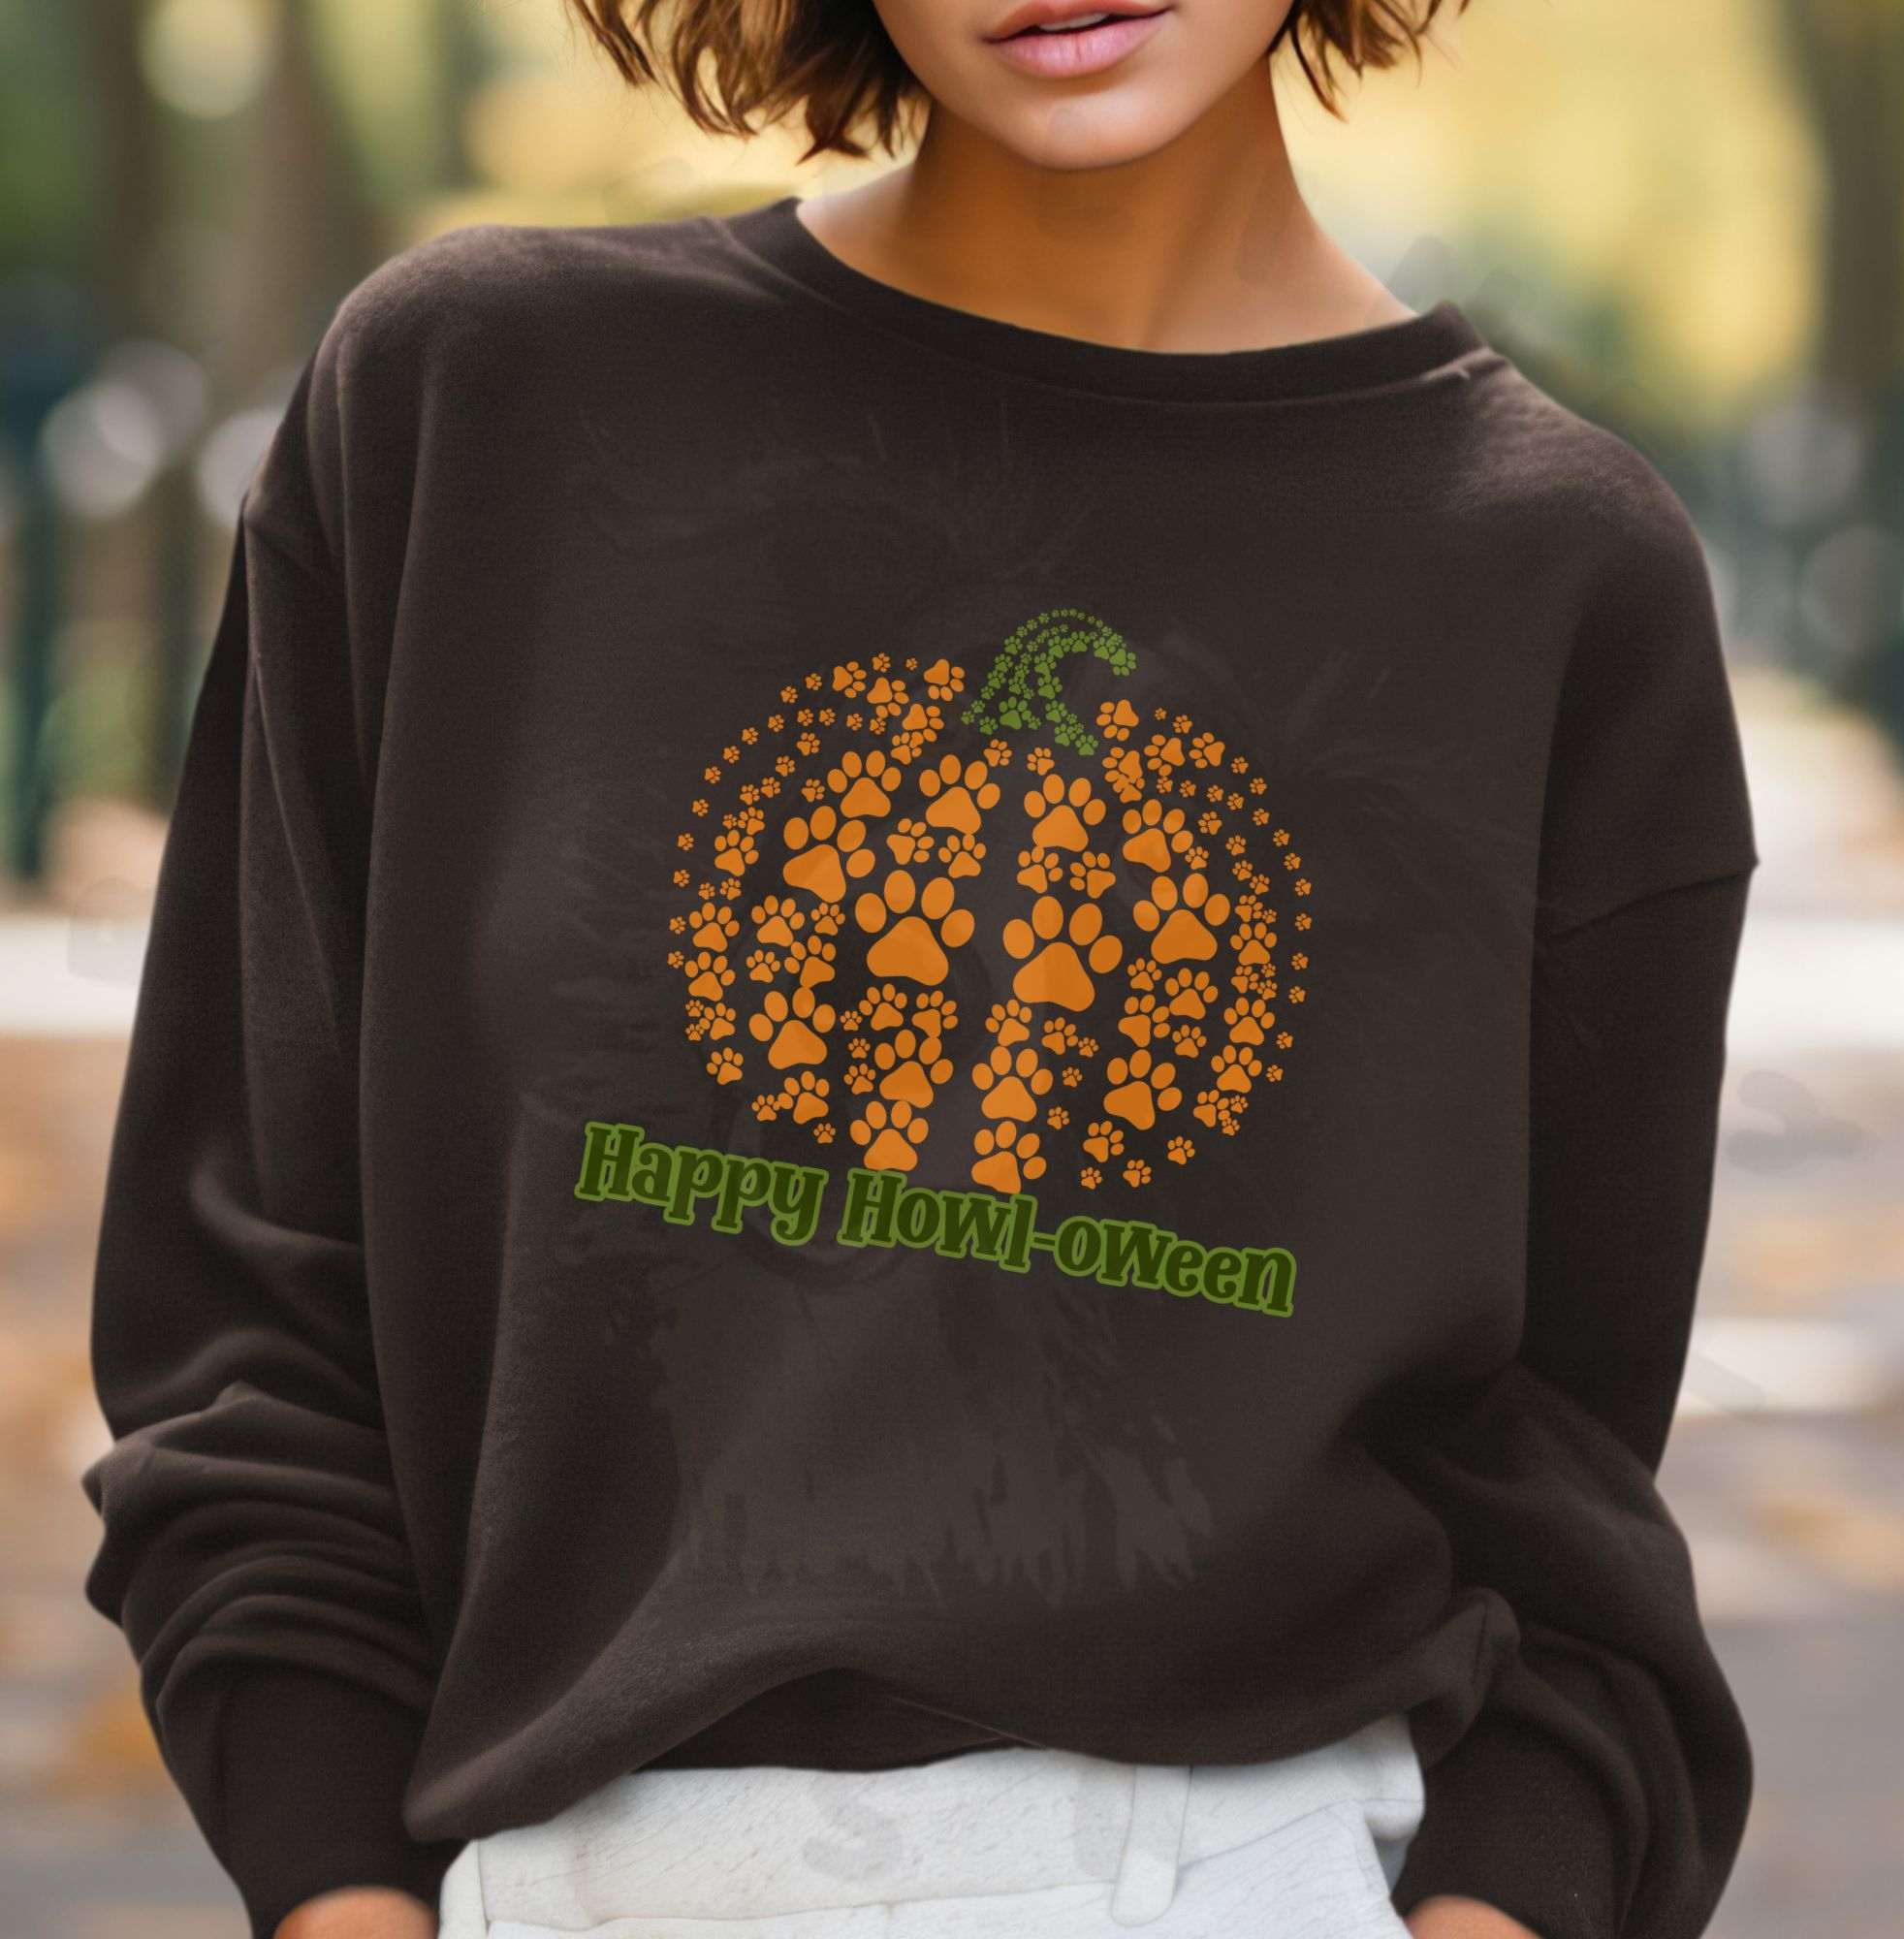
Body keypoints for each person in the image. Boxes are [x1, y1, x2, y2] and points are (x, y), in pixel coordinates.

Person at [80, 3, 1761, 1937]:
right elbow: (250, 1323)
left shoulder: (1553, 573)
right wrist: (343, 1900)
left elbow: (1564, 1519)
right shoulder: (475, 403)